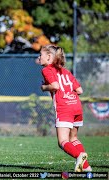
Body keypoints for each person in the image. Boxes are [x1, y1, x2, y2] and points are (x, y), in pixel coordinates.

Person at [38, 44, 92, 172]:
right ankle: (87, 167)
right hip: (76, 106)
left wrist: (44, 87)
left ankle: (79, 156)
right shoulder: (65, 71)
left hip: (65, 108)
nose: (39, 57)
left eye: (41, 55)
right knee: (74, 138)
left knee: (62, 141)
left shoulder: (46, 70)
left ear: (49, 57)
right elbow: (80, 90)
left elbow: (55, 86)